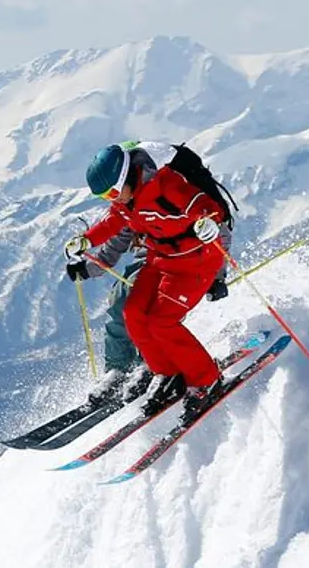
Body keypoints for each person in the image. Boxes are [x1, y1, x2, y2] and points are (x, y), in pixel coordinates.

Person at [62, 141, 238, 406]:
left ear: (125, 178)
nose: (112, 199)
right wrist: (86, 241)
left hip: (195, 263)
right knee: (133, 314)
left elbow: (205, 205)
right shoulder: (127, 201)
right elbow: (112, 222)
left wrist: (207, 222)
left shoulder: (166, 185)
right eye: (104, 197)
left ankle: (206, 379)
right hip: (161, 261)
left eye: (111, 193)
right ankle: (167, 373)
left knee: (161, 321)